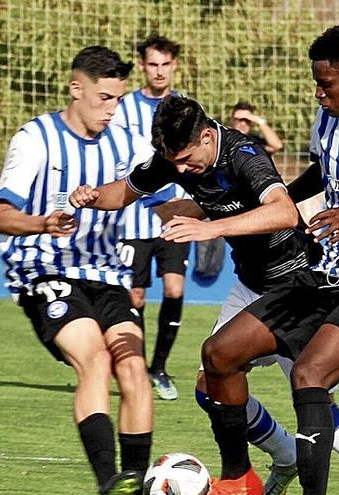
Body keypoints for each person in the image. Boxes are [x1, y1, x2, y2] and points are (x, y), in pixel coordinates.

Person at [70, 94, 339, 495]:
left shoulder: (244, 155)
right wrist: (90, 197)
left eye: (187, 160)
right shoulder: (176, 157)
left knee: (319, 406)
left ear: (207, 136)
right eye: (175, 164)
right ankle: (267, 465)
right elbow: (124, 191)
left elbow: (284, 212)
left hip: (296, 284)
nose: (182, 170)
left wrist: (211, 226)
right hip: (251, 285)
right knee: (213, 383)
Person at [166, 23, 339, 495]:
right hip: (325, 272)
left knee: (310, 377)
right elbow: (323, 171)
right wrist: (274, 204)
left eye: (326, 83)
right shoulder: (328, 123)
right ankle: (239, 481)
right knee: (218, 355)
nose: (318, 93)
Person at [0, 45, 152, 495]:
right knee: (95, 360)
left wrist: (210, 216)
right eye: (104, 98)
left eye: (118, 98)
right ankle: (108, 483)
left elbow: (172, 188)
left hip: (108, 274)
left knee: (135, 369)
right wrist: (43, 223)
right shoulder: (35, 138)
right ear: (76, 89)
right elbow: (0, 215)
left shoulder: (130, 145)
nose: (112, 108)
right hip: (45, 270)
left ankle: (135, 486)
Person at [111, 34, 190, 401]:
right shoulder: (123, 108)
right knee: (137, 296)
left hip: (172, 214)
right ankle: (137, 368)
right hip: (131, 217)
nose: (159, 71)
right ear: (142, 66)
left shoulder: (186, 106)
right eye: (152, 64)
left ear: (174, 66)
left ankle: (159, 367)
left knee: (174, 288)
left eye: (165, 64)